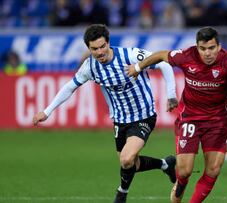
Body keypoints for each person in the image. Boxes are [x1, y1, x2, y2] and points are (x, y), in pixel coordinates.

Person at [32, 24, 178, 203]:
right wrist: (47, 111)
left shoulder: (129, 55)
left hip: (144, 115)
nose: (100, 52)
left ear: (108, 43)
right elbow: (70, 87)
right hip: (119, 119)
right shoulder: (90, 67)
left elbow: (164, 64)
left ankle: (121, 193)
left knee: (126, 159)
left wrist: (171, 95)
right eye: (94, 49)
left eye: (102, 46)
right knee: (131, 163)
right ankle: (166, 164)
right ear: (89, 48)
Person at [126, 27, 227, 203]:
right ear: (197, 47)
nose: (207, 53)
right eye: (203, 48)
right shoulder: (187, 55)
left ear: (219, 46)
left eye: (212, 48)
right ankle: (181, 182)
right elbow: (161, 55)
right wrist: (138, 67)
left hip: (216, 122)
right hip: (190, 118)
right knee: (184, 171)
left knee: (213, 170)